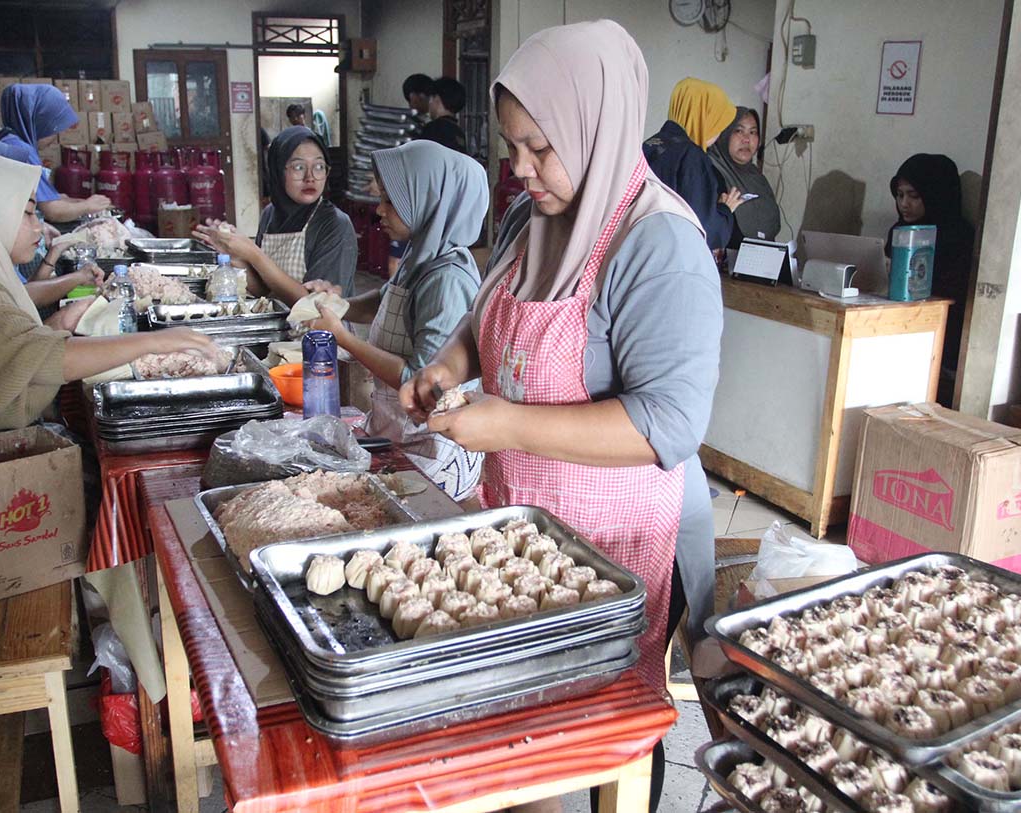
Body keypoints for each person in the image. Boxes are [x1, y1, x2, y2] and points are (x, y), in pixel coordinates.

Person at [399, 22, 721, 813]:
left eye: (539, 148)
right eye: (512, 148)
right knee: (521, 740)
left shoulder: (659, 246)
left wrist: (508, 424)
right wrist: (447, 365)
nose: (521, 170)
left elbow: (666, 425)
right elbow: (486, 321)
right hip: (530, 521)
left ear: (596, 123)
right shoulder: (530, 217)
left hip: (626, 542)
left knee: (588, 743)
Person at [0, 154, 216, 514]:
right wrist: (162, 340)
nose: (38, 227)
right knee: (123, 501)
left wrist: (59, 323)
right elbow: (49, 360)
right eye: (28, 213)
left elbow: (5, 355)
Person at [305, 140, 486, 499]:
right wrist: (339, 304)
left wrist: (344, 338)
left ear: (428, 200)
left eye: (390, 201)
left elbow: (421, 383)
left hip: (433, 452)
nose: (379, 211)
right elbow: (387, 298)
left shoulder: (446, 279)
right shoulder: (421, 255)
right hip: (397, 432)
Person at [193, 126, 357, 303]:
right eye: (299, 167)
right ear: (278, 171)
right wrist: (236, 258)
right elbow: (264, 289)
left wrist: (253, 253)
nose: (310, 177)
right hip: (280, 324)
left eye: (318, 166)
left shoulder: (334, 224)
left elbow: (319, 307)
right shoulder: (270, 214)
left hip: (319, 329)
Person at [0, 138, 104, 306]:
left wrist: (55, 254)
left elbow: (21, 295)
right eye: (27, 212)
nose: (38, 227)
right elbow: (22, 298)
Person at [887, 154, 975, 406]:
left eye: (914, 196)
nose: (904, 204)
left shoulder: (958, 238)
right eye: (900, 195)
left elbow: (950, 298)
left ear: (935, 194)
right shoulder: (899, 231)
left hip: (939, 347)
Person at [643, 77, 743, 251]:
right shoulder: (692, 156)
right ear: (706, 118)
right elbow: (703, 230)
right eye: (718, 122)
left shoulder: (650, 144)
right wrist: (725, 210)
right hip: (671, 260)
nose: (719, 132)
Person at [0, 83, 112, 222]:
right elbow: (53, 211)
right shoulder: (21, 152)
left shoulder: (8, 141)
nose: (55, 138)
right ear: (40, 123)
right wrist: (88, 206)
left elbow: (42, 198)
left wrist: (69, 201)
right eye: (53, 129)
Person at [707, 107, 780, 246]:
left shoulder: (757, 178)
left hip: (762, 260)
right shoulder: (710, 172)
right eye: (739, 131)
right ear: (725, 134)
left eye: (753, 132)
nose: (746, 139)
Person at [418, 77, 469, 154]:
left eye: (431, 97)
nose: (429, 103)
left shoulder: (433, 128)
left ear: (437, 98)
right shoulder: (459, 132)